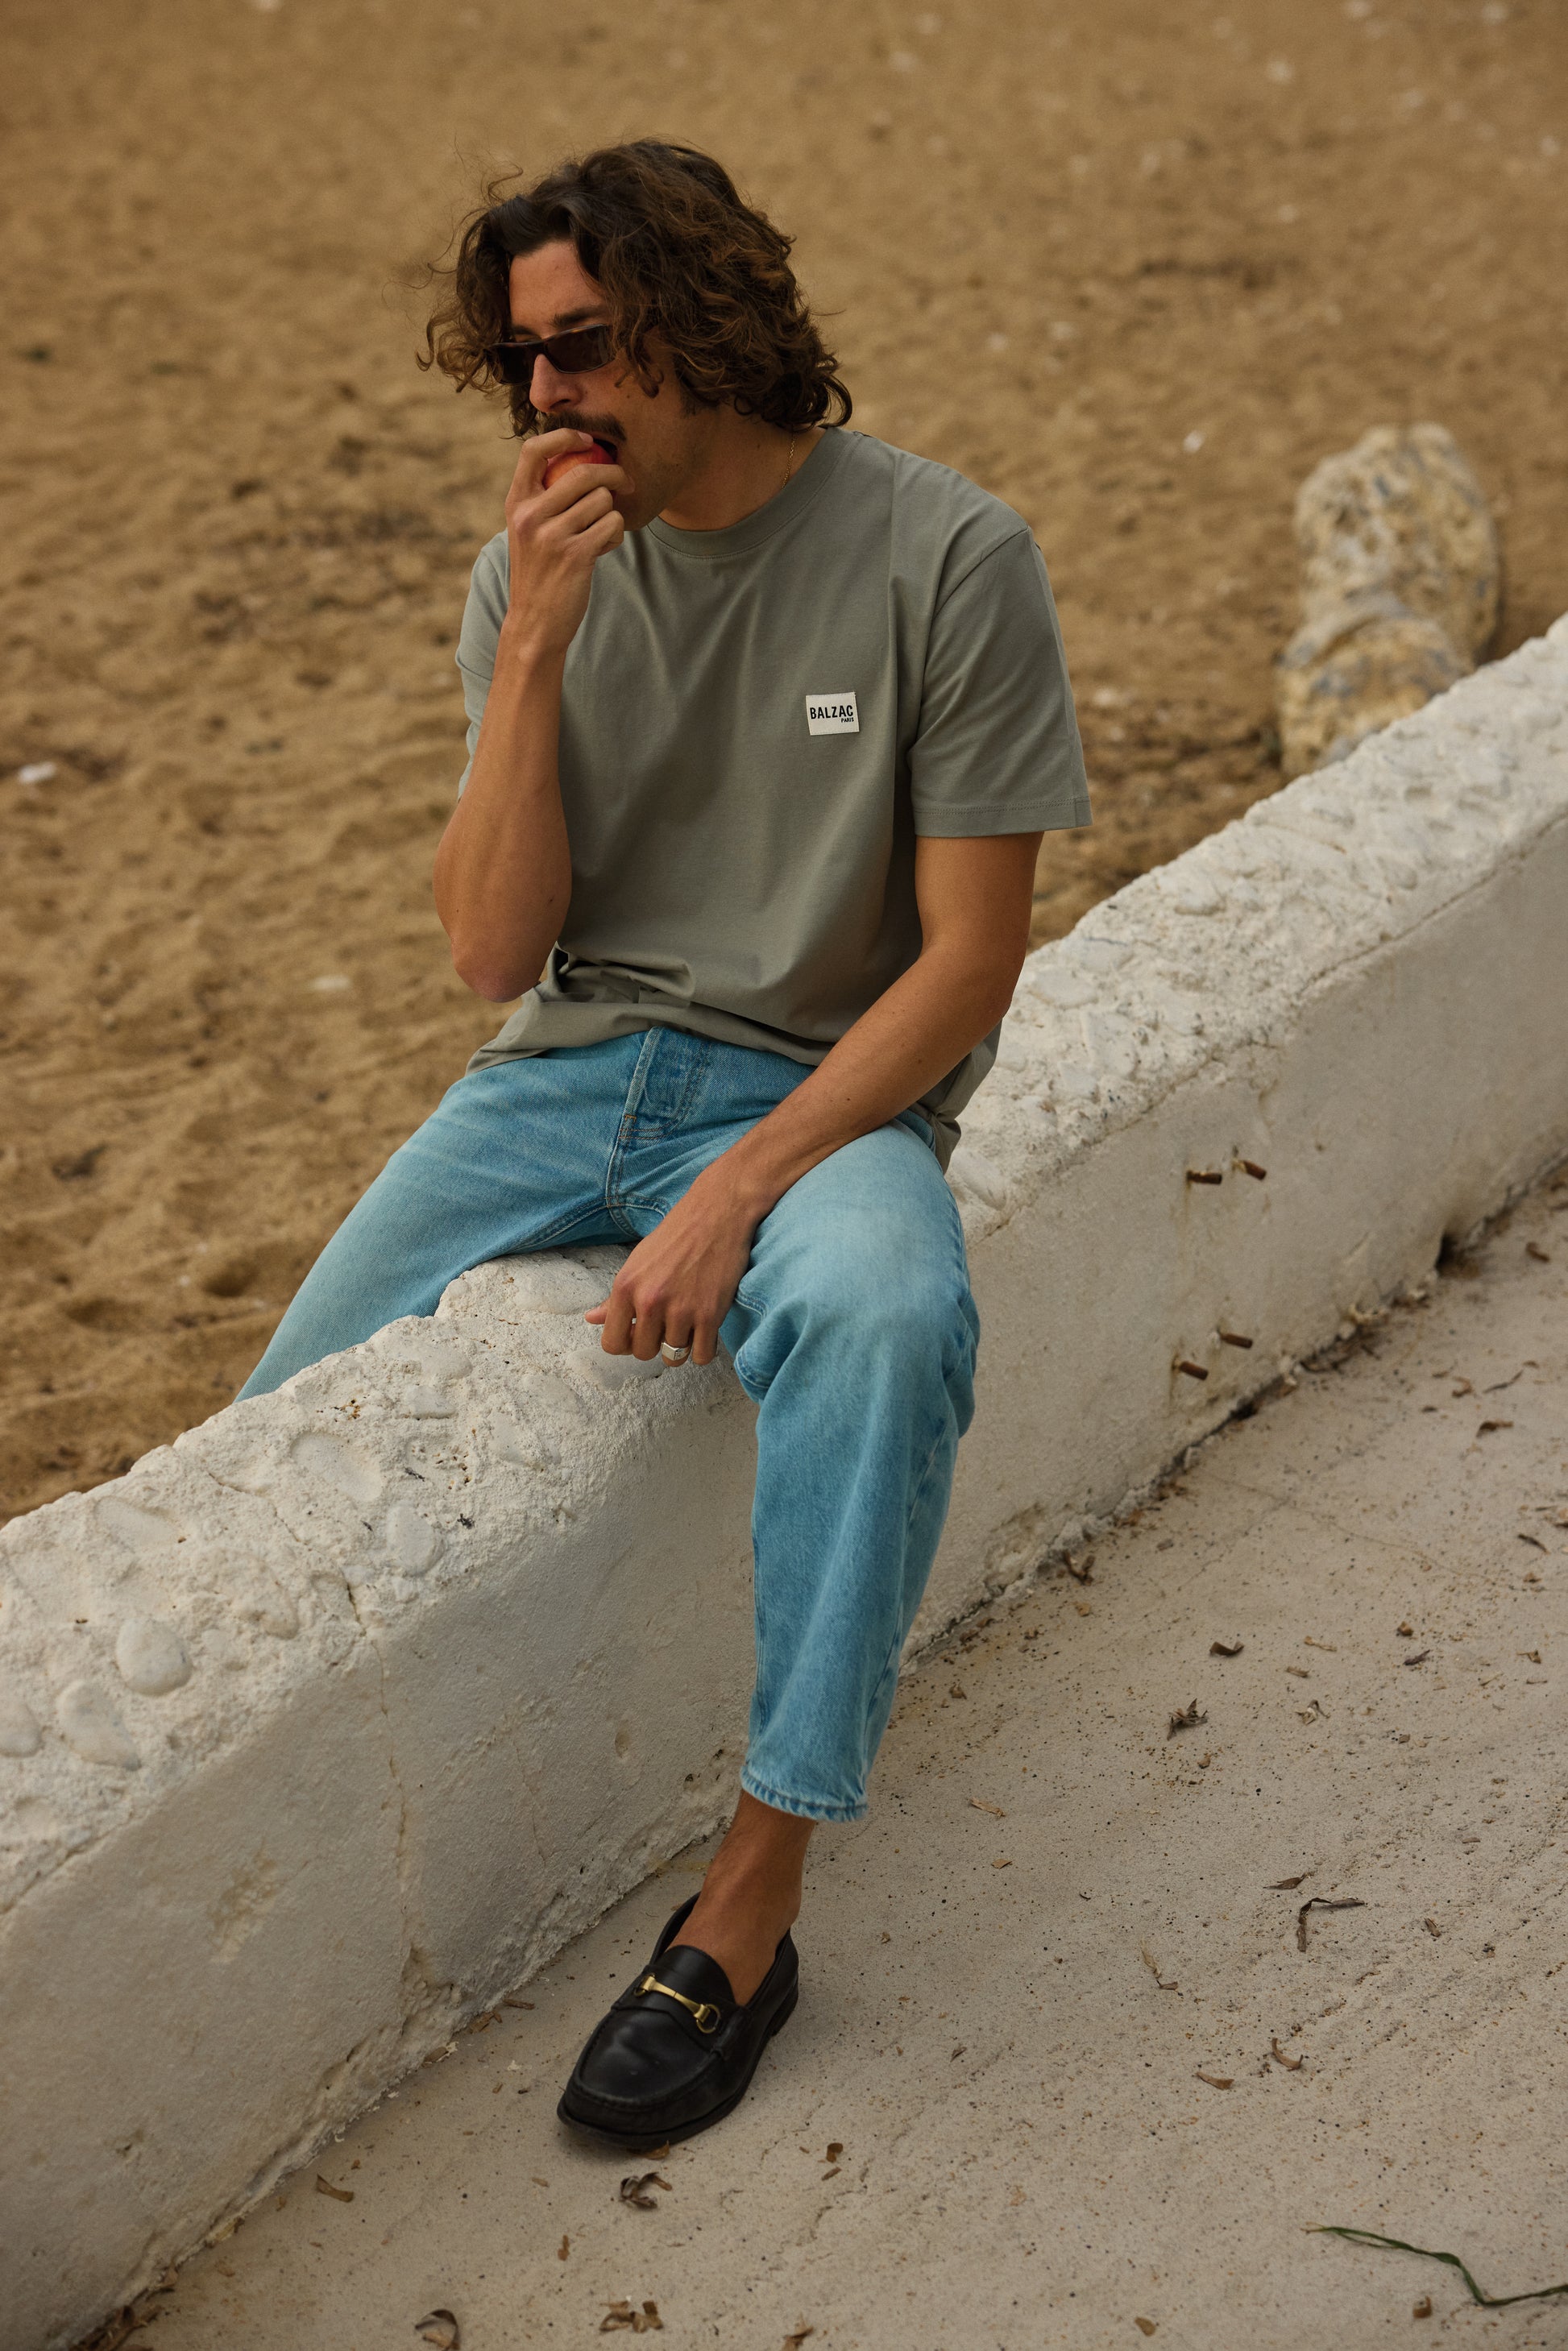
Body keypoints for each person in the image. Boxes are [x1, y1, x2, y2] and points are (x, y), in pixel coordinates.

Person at [239, 139, 1088, 2150]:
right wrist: (536, 642)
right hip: (559, 1071)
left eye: (582, 347)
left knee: (885, 1315)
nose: (545, 397)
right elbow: (488, 954)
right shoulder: (531, 574)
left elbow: (969, 964)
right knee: (267, 1436)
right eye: (522, 361)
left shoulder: (948, 557)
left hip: (820, 1084)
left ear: (704, 323)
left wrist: (740, 1185)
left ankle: (750, 1899)